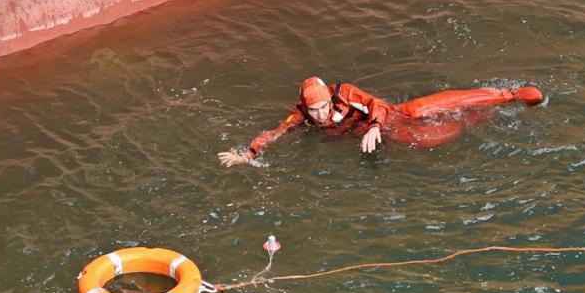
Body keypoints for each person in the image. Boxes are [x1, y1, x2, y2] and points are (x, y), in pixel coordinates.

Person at [218, 77, 543, 167]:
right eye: (312, 110)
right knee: (429, 139)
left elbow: (374, 105)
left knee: (423, 110)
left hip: (388, 115)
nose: (318, 115)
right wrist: (248, 153)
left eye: (322, 108)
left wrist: (374, 125)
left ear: (330, 100)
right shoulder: (300, 117)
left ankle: (505, 95)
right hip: (378, 131)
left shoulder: (345, 93)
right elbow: (274, 133)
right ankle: (475, 119)